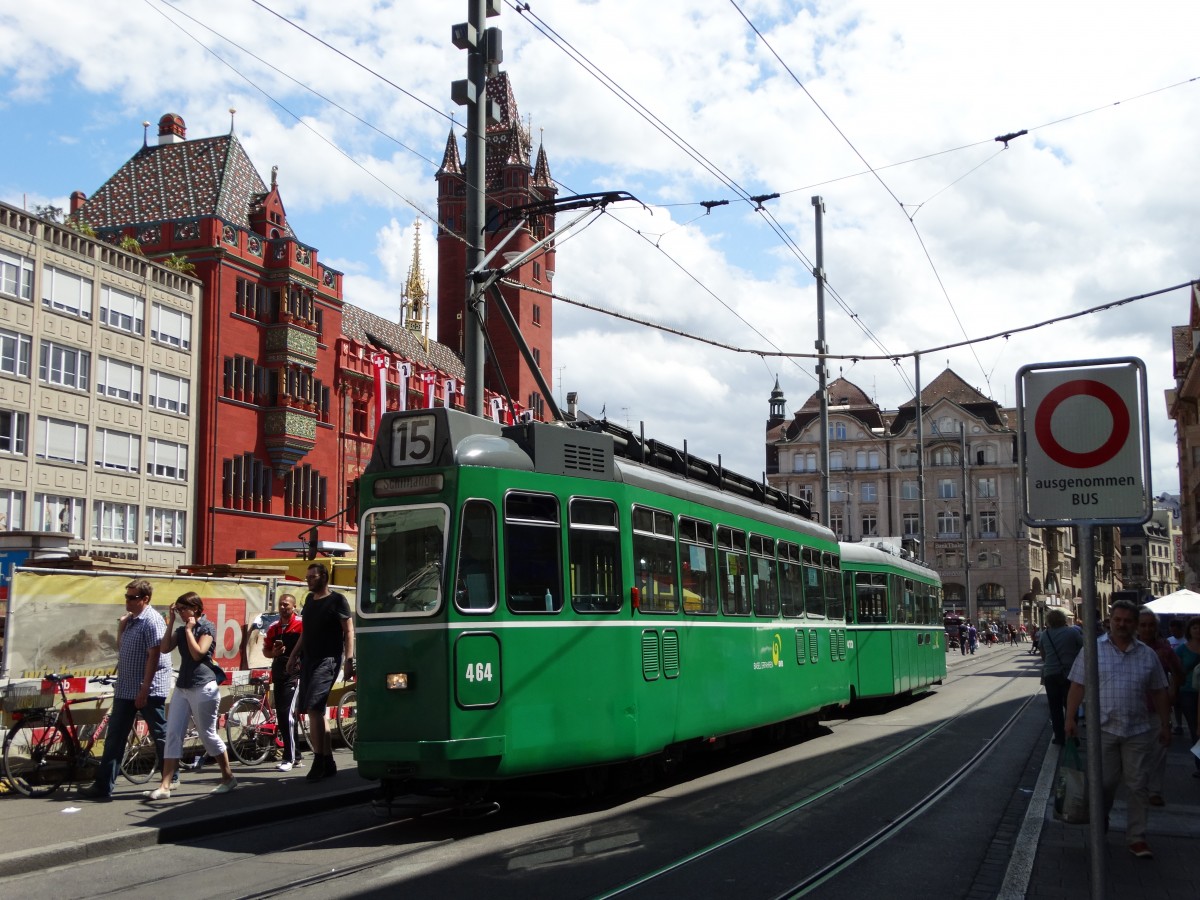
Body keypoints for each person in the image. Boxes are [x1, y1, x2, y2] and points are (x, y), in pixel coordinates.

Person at [1065, 599, 1170, 859]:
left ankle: (1137, 836)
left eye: (1127, 621)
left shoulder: (1147, 654)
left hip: (1138, 729)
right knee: (1104, 784)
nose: (1122, 625)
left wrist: (1166, 725)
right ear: (1110, 621)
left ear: (1135, 625)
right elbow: (1077, 686)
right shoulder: (1092, 650)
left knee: (1138, 785)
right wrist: (1070, 719)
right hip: (1103, 729)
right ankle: (1101, 823)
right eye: (1117, 620)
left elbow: (1159, 691)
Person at [79, 579, 172, 801]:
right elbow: (123, 648)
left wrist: (144, 689)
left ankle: (171, 776)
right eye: (126, 596)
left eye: (132, 597)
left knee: (160, 734)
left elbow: (155, 656)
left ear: (145, 599)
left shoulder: (152, 620)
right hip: (126, 687)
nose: (127, 601)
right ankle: (103, 787)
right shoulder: (131, 620)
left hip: (146, 688)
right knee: (115, 737)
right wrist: (121, 627)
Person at [145, 592, 237, 799]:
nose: (179, 612)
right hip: (183, 687)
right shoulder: (179, 628)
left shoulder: (207, 627)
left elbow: (198, 653)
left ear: (194, 608)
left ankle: (228, 777)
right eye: (177, 609)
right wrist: (170, 623)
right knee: (173, 733)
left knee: (207, 734)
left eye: (182, 609)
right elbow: (165, 648)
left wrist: (188, 630)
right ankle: (165, 785)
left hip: (203, 686)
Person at [286, 564, 354, 782]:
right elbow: (306, 632)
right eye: (307, 577)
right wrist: (293, 655)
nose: (308, 581)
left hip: (328, 660)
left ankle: (318, 760)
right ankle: (328, 761)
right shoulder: (308, 601)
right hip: (309, 660)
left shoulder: (337, 600)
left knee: (314, 708)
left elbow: (349, 631)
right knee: (316, 711)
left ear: (323, 577)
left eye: (312, 577)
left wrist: (349, 660)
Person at [1136, 608, 1183, 805]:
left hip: (1157, 708)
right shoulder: (1129, 647)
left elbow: (1179, 672)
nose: (1147, 629)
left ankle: (1154, 790)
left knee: (1158, 751)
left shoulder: (1164, 649)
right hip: (1133, 708)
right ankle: (1139, 788)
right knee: (1137, 753)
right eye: (1143, 625)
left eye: (1151, 625)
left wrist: (1171, 692)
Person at [263, 593, 304, 771]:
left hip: (295, 673)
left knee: (287, 714)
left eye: (286, 605)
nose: (283, 607)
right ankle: (297, 756)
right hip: (279, 671)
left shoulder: (301, 624)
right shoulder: (274, 627)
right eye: (280, 605)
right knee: (283, 716)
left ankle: (288, 757)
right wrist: (275, 652)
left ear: (294, 607)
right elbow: (266, 651)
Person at [1038, 609, 1083, 745]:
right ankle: (1072, 736)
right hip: (1070, 674)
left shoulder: (1045, 635)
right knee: (1071, 706)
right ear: (1064, 619)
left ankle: (1059, 737)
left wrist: (1050, 663)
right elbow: (1082, 649)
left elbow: (1042, 653)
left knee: (1055, 707)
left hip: (1051, 675)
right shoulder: (1073, 632)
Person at [1173, 616, 1200, 777]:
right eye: (1194, 627)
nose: (1197, 630)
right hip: (1188, 692)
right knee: (1195, 729)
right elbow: (1177, 673)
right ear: (1189, 630)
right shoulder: (1182, 650)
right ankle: (1199, 764)